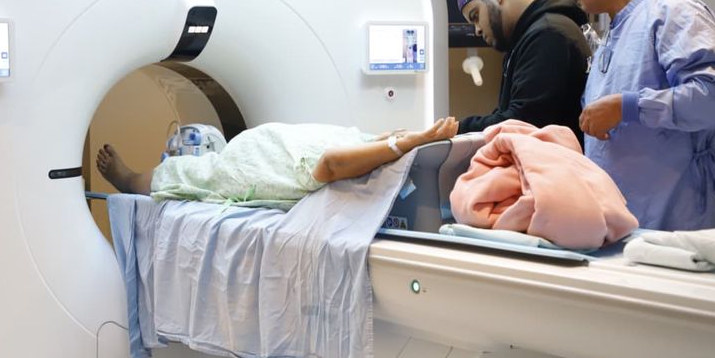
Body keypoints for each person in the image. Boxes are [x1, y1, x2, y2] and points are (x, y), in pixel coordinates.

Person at [563, 0, 715, 358]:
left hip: (681, 225)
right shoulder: (617, 30)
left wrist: (628, 106)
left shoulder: (673, 13)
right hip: (635, 232)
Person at [97, 117, 459, 210]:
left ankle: (129, 180)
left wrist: (407, 142)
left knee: (197, 173)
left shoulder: (361, 169)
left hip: (256, 165)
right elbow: (381, 140)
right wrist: (406, 137)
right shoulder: (374, 153)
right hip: (270, 145)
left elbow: (332, 163)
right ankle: (135, 178)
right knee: (206, 165)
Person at [455, 0, 590, 142]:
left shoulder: (548, 34)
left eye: (476, 16)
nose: (477, 29)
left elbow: (523, 122)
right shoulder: (530, 36)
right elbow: (511, 114)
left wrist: (457, 130)